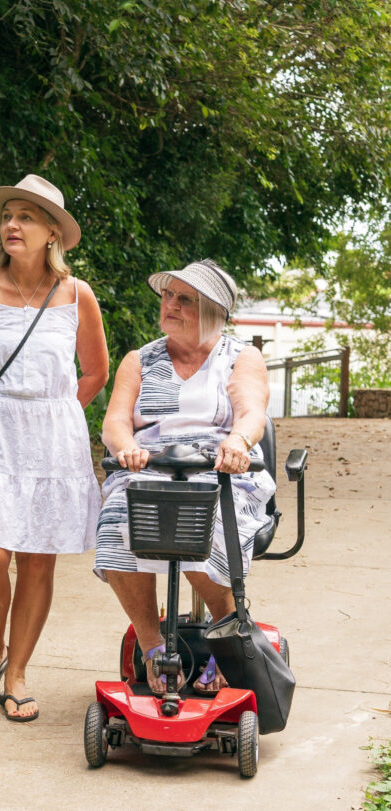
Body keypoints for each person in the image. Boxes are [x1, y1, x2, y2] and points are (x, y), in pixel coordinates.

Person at [0, 174, 109, 721]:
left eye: (26, 217)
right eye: (8, 215)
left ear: (53, 232)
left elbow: (97, 372)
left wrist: (56, 414)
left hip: (54, 440)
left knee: (38, 561)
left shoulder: (78, 295)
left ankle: (17, 672)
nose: (12, 224)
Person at [94, 259, 276, 695]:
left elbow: (252, 411)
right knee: (119, 517)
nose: (170, 305)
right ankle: (152, 643)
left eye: (184, 299)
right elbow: (115, 422)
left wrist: (237, 441)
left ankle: (222, 637)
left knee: (197, 522)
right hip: (150, 465)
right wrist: (126, 447)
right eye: (167, 296)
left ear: (213, 310)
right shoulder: (140, 359)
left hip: (221, 468)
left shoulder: (239, 357)